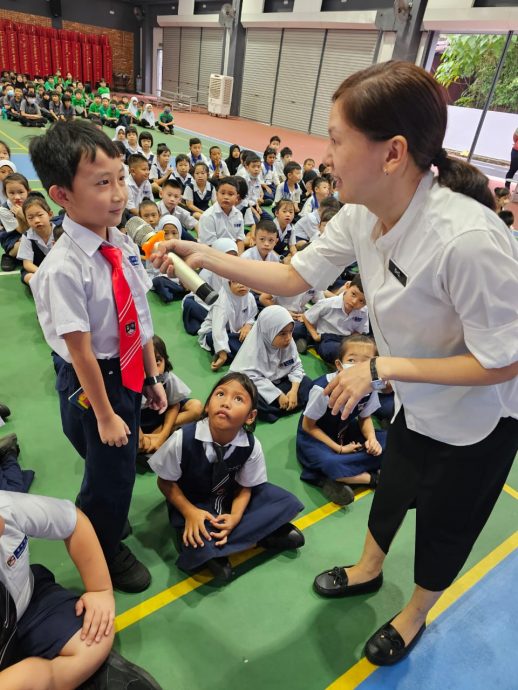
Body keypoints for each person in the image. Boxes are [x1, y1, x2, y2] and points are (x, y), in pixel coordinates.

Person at [152, 60, 518, 666]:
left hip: (480, 420)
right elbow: (294, 275)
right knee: (393, 488)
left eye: (337, 140)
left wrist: (382, 369)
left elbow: (502, 363)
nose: (326, 155)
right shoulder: (361, 212)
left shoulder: (468, 240)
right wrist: (207, 256)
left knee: (446, 525)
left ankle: (415, 611)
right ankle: (368, 568)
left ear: (392, 153)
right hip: (420, 403)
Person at [29, 120, 168, 594]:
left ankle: (101, 512)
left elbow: (141, 317)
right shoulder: (63, 268)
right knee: (112, 465)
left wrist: (151, 377)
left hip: (127, 367)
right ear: (61, 195)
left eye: (121, 180)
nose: (118, 194)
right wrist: (107, 414)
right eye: (102, 183)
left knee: (111, 464)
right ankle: (101, 546)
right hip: (94, 380)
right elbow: (81, 352)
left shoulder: (120, 242)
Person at [148, 372, 305, 582]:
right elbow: (165, 482)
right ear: (207, 406)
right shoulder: (182, 439)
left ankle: (222, 547)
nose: (226, 403)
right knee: (198, 536)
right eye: (220, 394)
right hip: (195, 503)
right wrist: (190, 513)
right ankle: (261, 535)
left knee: (285, 501)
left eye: (238, 399)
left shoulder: (250, 445)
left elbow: (246, 487)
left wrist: (235, 518)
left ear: (250, 416)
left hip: (229, 496)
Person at [0, 490, 161, 689]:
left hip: (27, 603)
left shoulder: (7, 508)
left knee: (94, 637)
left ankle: (60, 677)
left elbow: (73, 521)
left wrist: (99, 590)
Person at [297, 335, 386, 506]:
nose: (358, 367)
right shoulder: (322, 389)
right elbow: (308, 426)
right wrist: (339, 449)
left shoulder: (369, 384)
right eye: (351, 360)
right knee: (330, 462)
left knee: (389, 440)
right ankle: (371, 478)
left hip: (343, 431)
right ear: (339, 365)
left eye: (365, 362)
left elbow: (365, 417)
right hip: (317, 438)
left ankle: (343, 475)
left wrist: (372, 440)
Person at [229, 306, 312, 423]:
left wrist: (293, 391)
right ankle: (286, 406)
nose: (288, 338)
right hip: (262, 387)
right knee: (248, 394)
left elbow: (296, 366)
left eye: (290, 332)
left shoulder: (289, 342)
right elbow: (251, 378)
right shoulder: (254, 349)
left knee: (308, 384)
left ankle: (274, 411)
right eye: (282, 333)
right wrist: (278, 396)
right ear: (268, 331)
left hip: (281, 382)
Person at [139, 335, 203, 455]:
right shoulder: (128, 386)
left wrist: (162, 435)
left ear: (165, 360)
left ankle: (158, 435)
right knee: (139, 445)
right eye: (144, 363)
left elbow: (174, 405)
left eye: (157, 361)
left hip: (161, 417)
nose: (153, 370)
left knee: (196, 407)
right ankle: (152, 439)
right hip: (139, 424)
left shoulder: (166, 378)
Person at [298, 275, 369, 360]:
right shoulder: (328, 303)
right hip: (326, 339)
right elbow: (306, 317)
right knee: (334, 350)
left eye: (361, 301)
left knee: (368, 349)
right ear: (347, 287)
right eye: (353, 294)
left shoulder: (364, 311)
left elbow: (358, 331)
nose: (354, 302)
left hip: (346, 340)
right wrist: (315, 335)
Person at [181, 238, 239, 336]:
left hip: (232, 310)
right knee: (190, 304)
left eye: (233, 258)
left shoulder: (237, 272)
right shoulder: (206, 273)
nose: (229, 261)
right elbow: (202, 300)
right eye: (225, 257)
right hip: (210, 307)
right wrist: (219, 310)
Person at [198, 279, 257, 371]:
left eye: (245, 281)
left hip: (236, 333)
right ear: (228, 284)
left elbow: (252, 316)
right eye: (235, 281)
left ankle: (246, 352)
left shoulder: (250, 297)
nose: (241, 285)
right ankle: (249, 354)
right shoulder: (222, 301)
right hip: (215, 333)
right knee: (212, 338)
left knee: (254, 333)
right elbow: (218, 330)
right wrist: (222, 355)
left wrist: (248, 325)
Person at [198, 176, 245, 253]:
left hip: (233, 254)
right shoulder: (208, 216)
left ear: (237, 197)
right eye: (222, 193)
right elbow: (209, 247)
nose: (226, 197)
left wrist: (238, 259)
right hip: (212, 255)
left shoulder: (238, 215)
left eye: (230, 194)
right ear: (216, 195)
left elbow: (240, 241)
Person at [18, 195, 55, 286]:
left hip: (57, 267)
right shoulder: (27, 237)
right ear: (26, 221)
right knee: (28, 277)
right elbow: (27, 264)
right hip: (37, 269)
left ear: (50, 214)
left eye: (40, 215)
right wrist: (44, 273)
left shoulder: (60, 231)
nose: (36, 220)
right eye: (30, 218)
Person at [0, 173, 30, 271]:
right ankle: (9, 256)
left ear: (28, 191)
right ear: (6, 193)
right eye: (11, 193)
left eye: (21, 192)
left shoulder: (34, 202)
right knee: (25, 244)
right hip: (13, 238)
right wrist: (20, 215)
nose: (17, 197)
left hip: (32, 231)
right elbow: (22, 230)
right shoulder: (4, 210)